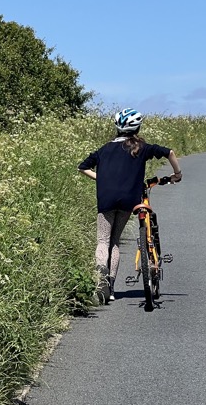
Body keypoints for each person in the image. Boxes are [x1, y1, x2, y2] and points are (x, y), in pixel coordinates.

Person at [78, 109, 182, 304]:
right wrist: (177, 174)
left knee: (103, 240)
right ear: (138, 127)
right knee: (115, 241)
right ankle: (111, 288)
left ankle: (101, 279)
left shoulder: (104, 149)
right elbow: (169, 152)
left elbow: (82, 167)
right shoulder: (142, 147)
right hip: (129, 200)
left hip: (107, 198)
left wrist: (103, 180)